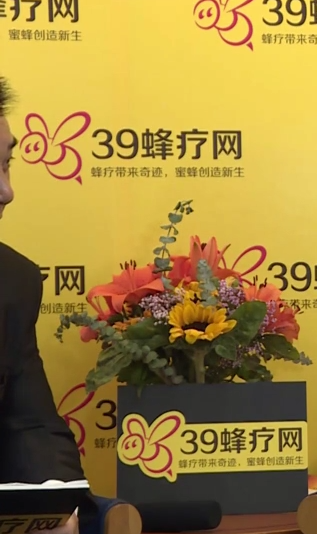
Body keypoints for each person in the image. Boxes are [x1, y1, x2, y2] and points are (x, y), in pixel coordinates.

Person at [0, 76, 84, 534]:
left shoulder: (13, 281)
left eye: (6, 165)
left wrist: (54, 505)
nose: (6, 192)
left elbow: (31, 425)